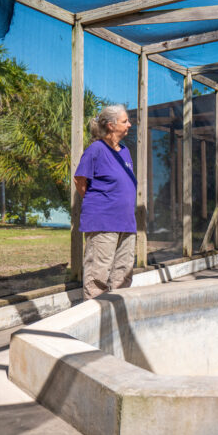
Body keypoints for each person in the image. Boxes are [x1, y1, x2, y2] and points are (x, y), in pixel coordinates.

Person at [73, 105, 136, 300]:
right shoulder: (96, 150)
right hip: (103, 221)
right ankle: (95, 313)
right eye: (125, 121)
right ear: (111, 125)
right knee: (98, 275)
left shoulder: (125, 151)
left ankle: (117, 311)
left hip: (126, 222)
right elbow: (80, 180)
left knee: (123, 273)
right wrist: (100, 203)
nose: (129, 124)